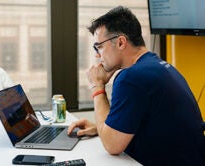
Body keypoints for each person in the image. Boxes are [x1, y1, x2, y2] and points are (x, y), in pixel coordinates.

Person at [67, 6, 205, 166]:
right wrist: (101, 128)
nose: (97, 55)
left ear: (120, 42)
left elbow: (112, 146)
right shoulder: (159, 66)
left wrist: (97, 86)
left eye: (99, 46)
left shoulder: (130, 78)